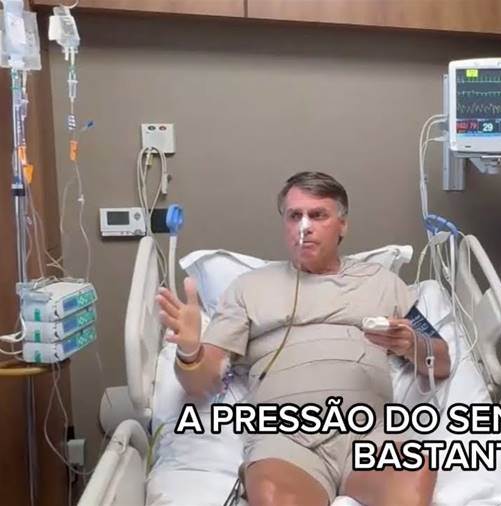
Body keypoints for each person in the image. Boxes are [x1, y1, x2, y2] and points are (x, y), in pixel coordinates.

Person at [156, 171, 451, 506]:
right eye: (294, 215)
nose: (305, 226)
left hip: (371, 431)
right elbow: (201, 384)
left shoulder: (383, 283)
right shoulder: (249, 288)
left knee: (414, 469)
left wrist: (413, 345)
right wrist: (190, 352)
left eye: (318, 215)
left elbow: (441, 361)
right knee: (272, 494)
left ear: (342, 225)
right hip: (285, 439)